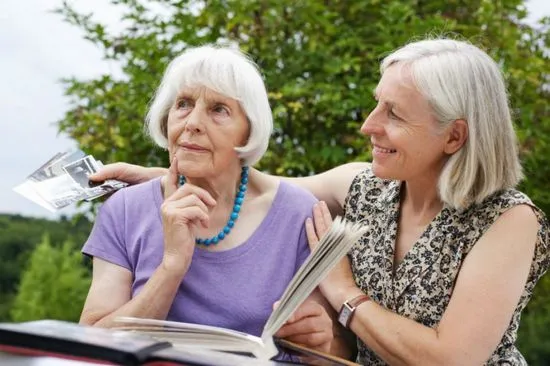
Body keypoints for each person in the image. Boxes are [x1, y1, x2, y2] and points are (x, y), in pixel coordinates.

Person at [90, 38, 549, 365]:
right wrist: (163, 176)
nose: (369, 125)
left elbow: (451, 359)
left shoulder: (508, 220)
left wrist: (344, 293)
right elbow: (257, 186)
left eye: (394, 113)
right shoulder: (364, 185)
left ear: (454, 135)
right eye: (376, 104)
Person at [79, 44, 347, 357]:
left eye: (218, 109)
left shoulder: (298, 214)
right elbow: (91, 345)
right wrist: (172, 265)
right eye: (183, 104)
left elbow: (338, 352)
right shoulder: (125, 209)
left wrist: (323, 345)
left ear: (247, 133)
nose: (192, 122)